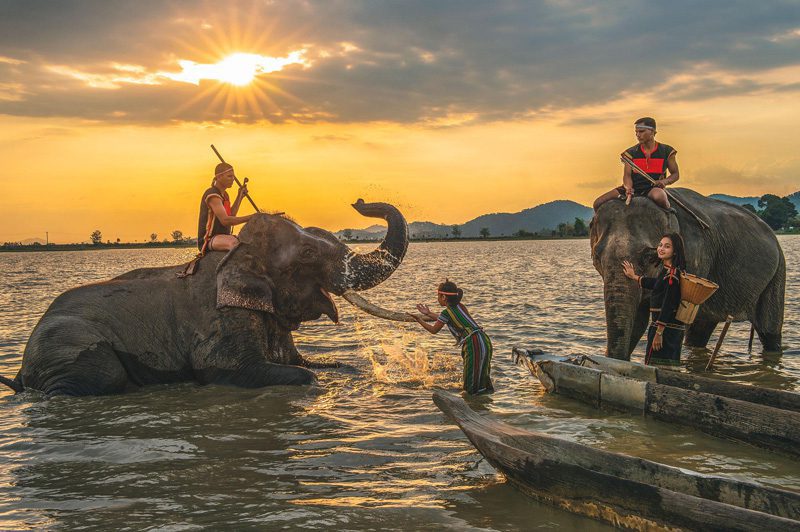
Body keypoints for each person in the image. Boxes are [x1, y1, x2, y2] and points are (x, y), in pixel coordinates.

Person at [409, 280, 494, 394]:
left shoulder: (447, 312)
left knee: (471, 383)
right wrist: (428, 313)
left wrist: (419, 320)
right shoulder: (460, 306)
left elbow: (434, 330)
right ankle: (483, 407)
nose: (437, 299)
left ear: (443, 297)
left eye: (438, 296)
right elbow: (445, 319)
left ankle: (472, 405)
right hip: (484, 340)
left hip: (473, 343)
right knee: (482, 376)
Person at [621, 232, 687, 366]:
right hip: (666, 328)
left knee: (660, 367)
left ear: (675, 251)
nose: (661, 249)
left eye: (667, 246)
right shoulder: (668, 272)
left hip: (665, 330)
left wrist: (659, 333)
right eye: (660, 245)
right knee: (663, 366)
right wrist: (634, 277)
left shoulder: (672, 276)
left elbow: (669, 305)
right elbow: (656, 283)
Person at [594, 117, 680, 211]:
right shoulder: (630, 153)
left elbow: (675, 174)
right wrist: (628, 188)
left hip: (652, 188)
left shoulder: (666, 151)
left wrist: (664, 182)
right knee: (598, 203)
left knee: (660, 197)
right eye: (636, 132)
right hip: (633, 188)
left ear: (652, 132)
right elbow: (627, 176)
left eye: (641, 131)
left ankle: (669, 213)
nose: (638, 135)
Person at [197, 162, 254, 252]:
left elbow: (231, 215)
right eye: (229, 176)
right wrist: (251, 217)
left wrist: (240, 196)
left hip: (223, 237)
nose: (233, 179)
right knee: (234, 244)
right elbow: (225, 221)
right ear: (219, 177)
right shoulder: (213, 194)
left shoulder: (225, 195)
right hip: (210, 239)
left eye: (233, 177)